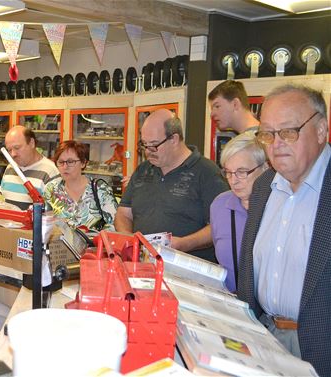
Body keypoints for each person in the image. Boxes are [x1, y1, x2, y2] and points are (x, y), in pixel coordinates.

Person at [237, 84, 331, 376]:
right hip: (264, 338)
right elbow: (250, 269)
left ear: (321, 130)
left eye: (289, 132)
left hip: (320, 349)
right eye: (267, 134)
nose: (276, 144)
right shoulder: (264, 187)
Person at [114, 109, 228, 262]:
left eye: (154, 145)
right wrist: (128, 238)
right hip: (143, 266)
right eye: (144, 145)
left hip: (186, 270)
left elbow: (220, 226)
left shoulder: (206, 172)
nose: (147, 152)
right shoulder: (143, 170)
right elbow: (123, 214)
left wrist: (183, 244)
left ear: (174, 139)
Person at [210, 133, 268, 292]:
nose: (233, 180)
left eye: (242, 172)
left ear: (265, 168)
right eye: (228, 172)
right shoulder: (219, 206)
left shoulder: (278, 207)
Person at [44, 141, 118, 232]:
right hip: (58, 245)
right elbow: (43, 221)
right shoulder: (51, 188)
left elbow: (115, 224)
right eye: (61, 162)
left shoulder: (100, 188)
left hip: (93, 244)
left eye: (70, 162)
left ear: (83, 163)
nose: (65, 166)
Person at [0, 126, 59, 210]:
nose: (13, 154)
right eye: (9, 150)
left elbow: (57, 213)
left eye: (17, 148)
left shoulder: (51, 171)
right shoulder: (10, 167)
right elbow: (1, 198)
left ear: (31, 143)